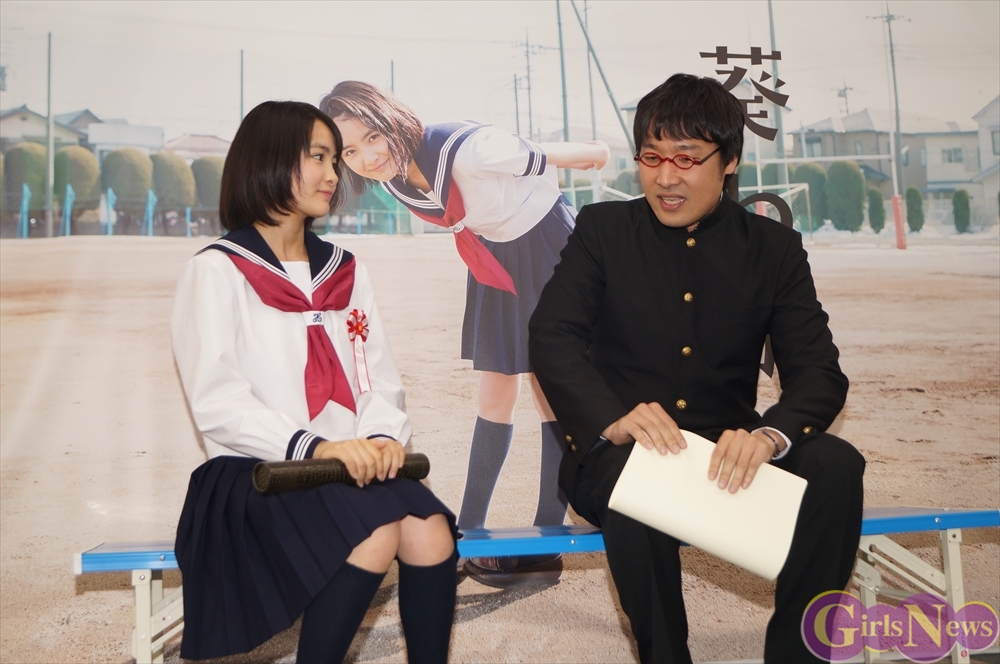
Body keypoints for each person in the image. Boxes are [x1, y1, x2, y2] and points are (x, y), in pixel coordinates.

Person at [528, 74, 866, 662]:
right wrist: (613, 418)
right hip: (621, 455)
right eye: (652, 157)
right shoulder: (603, 231)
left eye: (686, 158)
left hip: (722, 455)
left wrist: (768, 436)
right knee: (638, 482)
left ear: (728, 161)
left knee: (836, 464)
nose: (665, 177)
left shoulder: (773, 249)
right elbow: (552, 335)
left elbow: (820, 374)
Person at [171, 100, 457, 663]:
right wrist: (318, 447)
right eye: (318, 158)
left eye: (334, 161)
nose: (333, 174)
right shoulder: (216, 270)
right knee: (374, 530)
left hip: (346, 467)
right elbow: (217, 401)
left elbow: (376, 376)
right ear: (270, 161)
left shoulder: (345, 269)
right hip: (256, 472)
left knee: (430, 529)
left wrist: (381, 437)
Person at [320, 81, 610, 587]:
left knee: (549, 389)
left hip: (549, 245)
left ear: (392, 119)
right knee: (495, 388)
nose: (367, 157)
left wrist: (597, 152)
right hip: (494, 254)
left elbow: (550, 156)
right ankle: (467, 534)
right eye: (350, 151)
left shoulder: (471, 149)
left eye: (372, 136)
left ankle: (546, 539)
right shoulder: (393, 175)